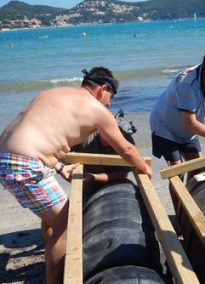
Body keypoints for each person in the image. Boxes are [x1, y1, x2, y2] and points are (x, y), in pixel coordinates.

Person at [0, 67, 152, 284]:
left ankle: (53, 254)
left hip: (6, 157)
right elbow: (126, 149)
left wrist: (61, 168)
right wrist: (146, 169)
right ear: (102, 89)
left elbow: (41, 137)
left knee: (53, 217)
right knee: (68, 224)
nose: (109, 104)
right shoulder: (96, 109)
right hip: (25, 164)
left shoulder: (54, 94)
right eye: (110, 97)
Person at [150, 44, 205, 169]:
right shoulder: (186, 83)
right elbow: (190, 124)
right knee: (178, 171)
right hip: (165, 129)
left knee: (198, 168)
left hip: (189, 133)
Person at [71, 109, 137, 202]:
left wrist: (95, 177)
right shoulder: (86, 138)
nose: (113, 138)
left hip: (116, 185)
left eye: (118, 135)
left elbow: (122, 175)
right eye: (109, 133)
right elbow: (65, 155)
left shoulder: (127, 145)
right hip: (88, 187)